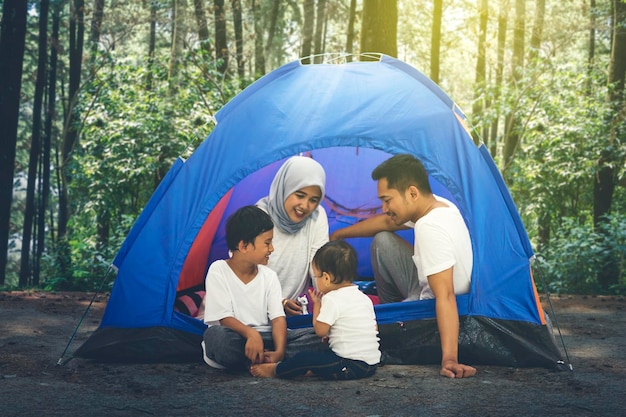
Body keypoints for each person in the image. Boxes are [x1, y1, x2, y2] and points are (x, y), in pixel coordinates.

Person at [329, 154, 476, 379]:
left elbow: (445, 295)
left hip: (430, 310)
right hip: (429, 287)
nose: (384, 207)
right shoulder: (439, 205)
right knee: (383, 240)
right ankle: (391, 310)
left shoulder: (430, 226)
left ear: (412, 193)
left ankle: (392, 320)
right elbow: (387, 222)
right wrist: (339, 234)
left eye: (387, 200)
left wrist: (449, 359)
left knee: (351, 326)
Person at [249, 240, 380, 380]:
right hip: (371, 365)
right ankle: (319, 370)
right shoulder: (363, 298)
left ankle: (276, 370)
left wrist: (317, 305)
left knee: (305, 358)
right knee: (323, 355)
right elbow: (374, 328)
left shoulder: (332, 299)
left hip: (349, 365)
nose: (315, 280)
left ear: (326, 278)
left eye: (316, 276)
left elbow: (320, 331)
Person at [201, 205, 286, 370]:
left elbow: (278, 318)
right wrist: (250, 334)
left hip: (264, 336)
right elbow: (224, 318)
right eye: (267, 243)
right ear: (244, 246)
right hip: (235, 337)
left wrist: (280, 351)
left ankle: (269, 357)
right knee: (217, 337)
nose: (272, 249)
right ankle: (262, 358)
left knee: (311, 336)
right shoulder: (218, 270)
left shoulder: (269, 276)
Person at [256, 155, 329, 316]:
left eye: (313, 200)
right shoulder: (258, 216)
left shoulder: (317, 216)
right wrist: (278, 302)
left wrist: (334, 300)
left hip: (292, 314)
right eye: (300, 195)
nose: (305, 206)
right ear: (285, 188)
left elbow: (319, 265)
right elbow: (244, 272)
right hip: (252, 306)